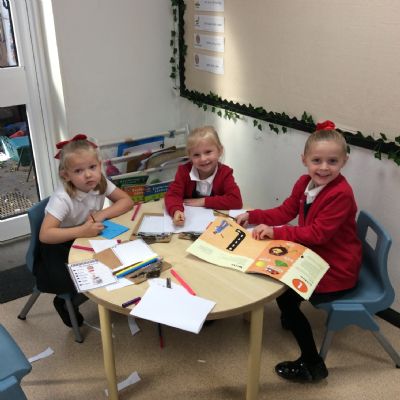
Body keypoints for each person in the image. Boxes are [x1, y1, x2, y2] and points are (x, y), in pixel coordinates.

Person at [236, 120, 362, 382]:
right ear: (304, 160)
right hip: (320, 256)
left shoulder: (341, 194)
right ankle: (291, 316)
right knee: (276, 271)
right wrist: (253, 215)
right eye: (317, 160)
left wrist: (277, 232)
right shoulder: (305, 182)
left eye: (332, 161)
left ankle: (313, 364)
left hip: (335, 269)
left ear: (344, 162)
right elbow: (285, 211)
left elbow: (318, 234)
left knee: (283, 294)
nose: (324, 167)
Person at [34, 134, 133, 327]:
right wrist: (81, 231)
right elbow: (45, 235)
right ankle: (65, 302)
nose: (88, 175)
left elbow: (126, 201)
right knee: (91, 276)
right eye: (79, 170)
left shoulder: (100, 181)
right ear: (66, 175)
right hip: (59, 244)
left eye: (92, 167)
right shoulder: (62, 198)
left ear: (100, 165)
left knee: (120, 259)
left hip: (86, 235)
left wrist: (101, 214)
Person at [164, 125, 243, 226]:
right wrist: (176, 210)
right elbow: (172, 195)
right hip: (190, 224)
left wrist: (204, 201)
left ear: (220, 151)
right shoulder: (184, 171)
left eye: (208, 152)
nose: (203, 159)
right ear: (190, 156)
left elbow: (236, 200)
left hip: (215, 226)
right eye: (196, 155)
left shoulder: (225, 173)